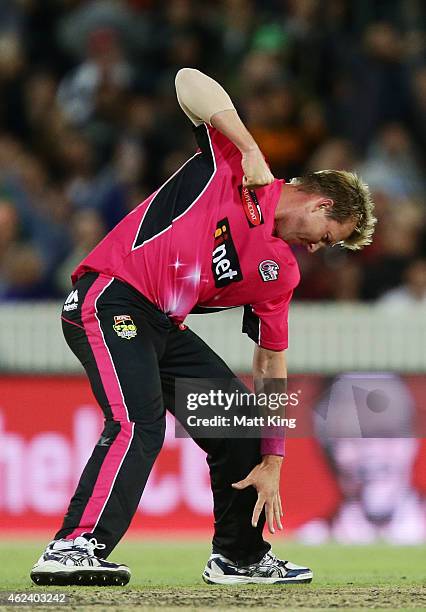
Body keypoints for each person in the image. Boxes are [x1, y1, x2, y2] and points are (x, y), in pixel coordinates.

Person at [30, 68, 376, 586]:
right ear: (322, 202)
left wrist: (274, 457)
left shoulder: (281, 272)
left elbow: (270, 360)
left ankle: (239, 557)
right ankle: (74, 547)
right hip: (110, 297)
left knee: (237, 425)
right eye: (330, 236)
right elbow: (187, 79)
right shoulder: (233, 165)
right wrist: (249, 145)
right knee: (138, 423)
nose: (321, 248)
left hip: (160, 324)